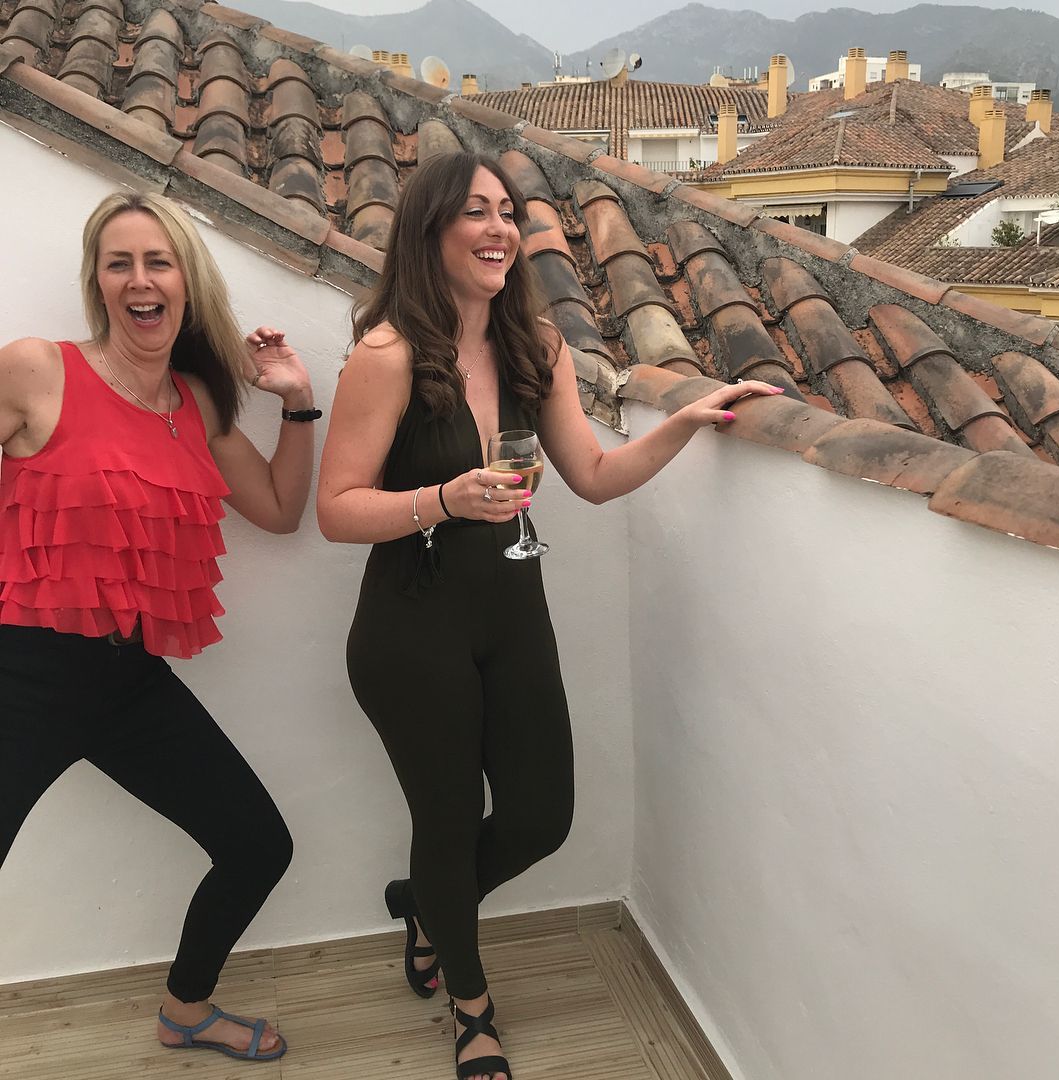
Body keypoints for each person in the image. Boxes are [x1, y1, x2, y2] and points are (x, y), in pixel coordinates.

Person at [317, 152, 784, 1080]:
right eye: (475, 212)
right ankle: (472, 1009)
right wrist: (443, 498)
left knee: (541, 817)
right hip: (410, 629)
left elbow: (596, 478)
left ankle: (429, 908)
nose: (499, 228)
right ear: (429, 231)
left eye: (507, 212)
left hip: (512, 613)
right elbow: (336, 510)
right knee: (448, 823)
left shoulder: (539, 346)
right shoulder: (389, 355)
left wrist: (686, 419)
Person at [0, 191, 320, 1062]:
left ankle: (186, 1011)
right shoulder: (36, 369)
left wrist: (297, 402)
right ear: (97, 281)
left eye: (158, 261)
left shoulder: (195, 404)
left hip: (129, 682)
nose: (139, 280)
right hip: (20, 675)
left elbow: (281, 510)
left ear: (186, 282)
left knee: (258, 846)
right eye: (120, 263)